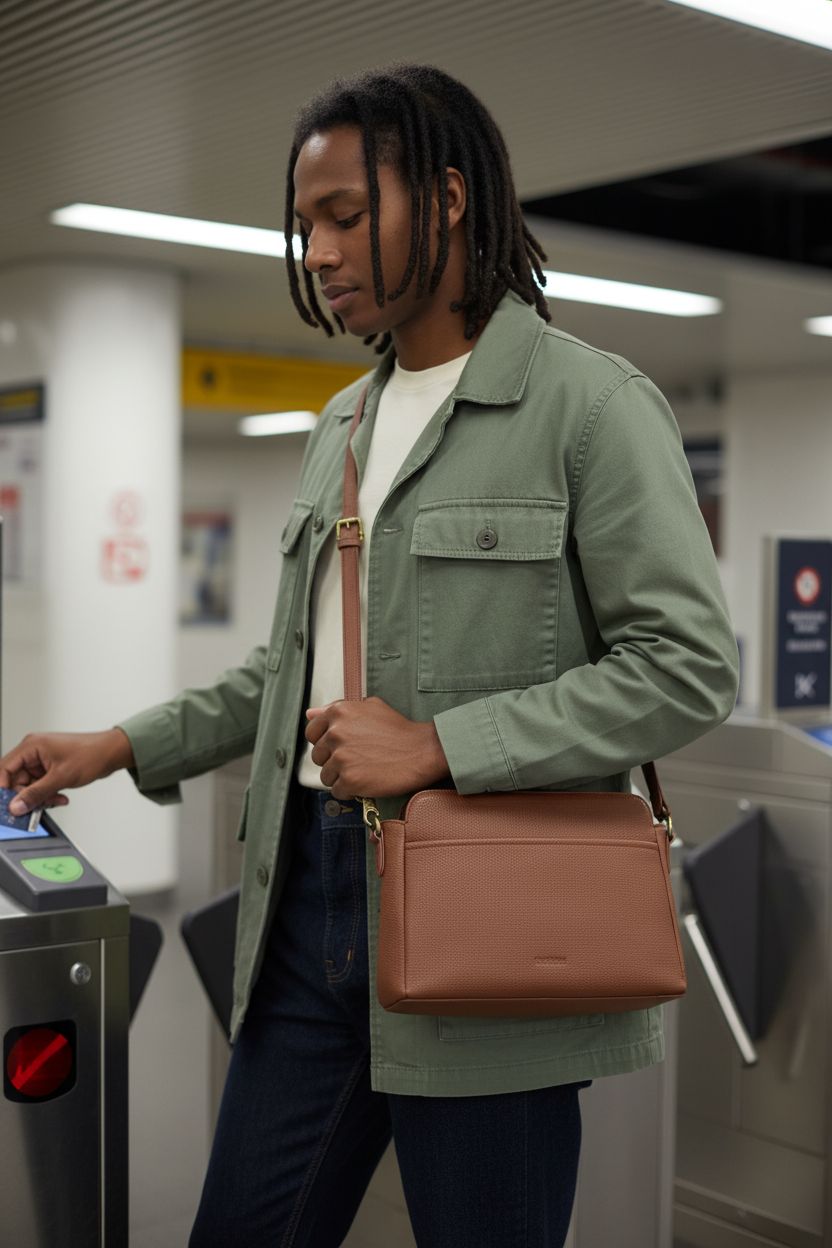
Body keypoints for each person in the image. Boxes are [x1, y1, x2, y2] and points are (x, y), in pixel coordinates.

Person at [0, 65, 739, 1247]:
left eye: (347, 214)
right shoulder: (342, 425)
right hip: (305, 911)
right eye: (306, 226)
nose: (321, 252)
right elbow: (285, 677)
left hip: (482, 915)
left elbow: (689, 666)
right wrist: (120, 743)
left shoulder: (589, 408)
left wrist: (440, 746)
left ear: (447, 199)